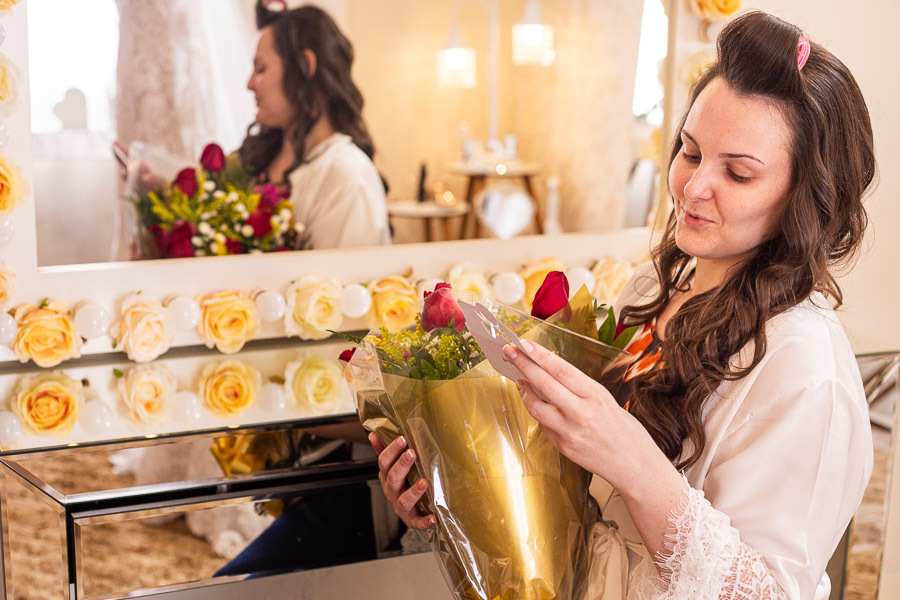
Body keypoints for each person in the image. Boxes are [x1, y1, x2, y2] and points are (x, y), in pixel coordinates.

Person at [372, 11, 875, 599]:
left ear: (805, 198)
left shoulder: (806, 369)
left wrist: (636, 464)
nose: (692, 187)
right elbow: (573, 484)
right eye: (689, 152)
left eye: (737, 173)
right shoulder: (652, 288)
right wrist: (450, 480)